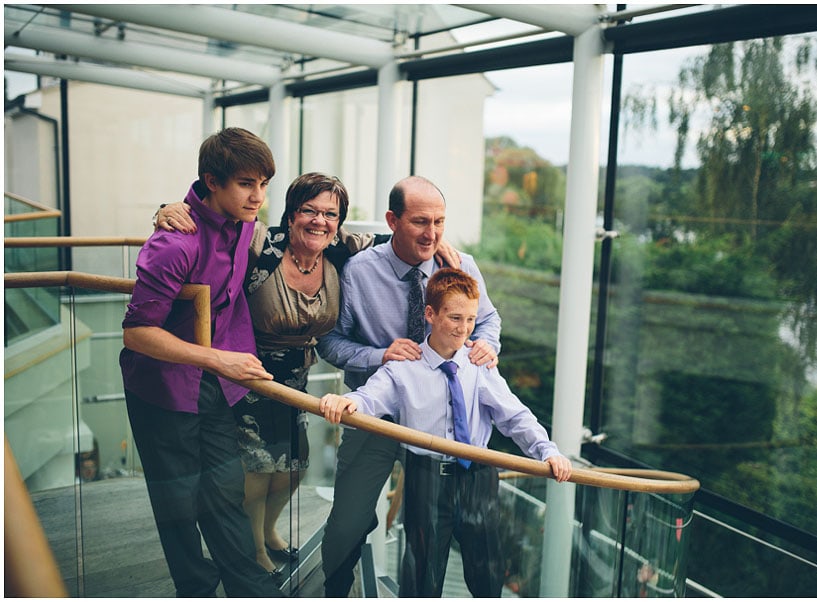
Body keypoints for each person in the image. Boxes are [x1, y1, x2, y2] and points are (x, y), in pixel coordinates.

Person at [153, 173, 461, 579]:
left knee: (292, 468)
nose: (320, 221)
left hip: (296, 377)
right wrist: (168, 210)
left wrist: (438, 242)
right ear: (292, 212)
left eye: (330, 214)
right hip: (248, 371)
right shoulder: (259, 241)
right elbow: (212, 227)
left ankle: (267, 531)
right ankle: (256, 551)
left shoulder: (338, 251)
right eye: (309, 211)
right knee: (257, 470)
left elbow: (395, 242)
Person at [319, 267, 573, 597]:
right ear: (430, 314)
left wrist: (547, 451)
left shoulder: (479, 365)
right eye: (455, 318)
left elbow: (515, 417)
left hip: (479, 479)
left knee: (487, 573)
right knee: (421, 574)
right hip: (426, 479)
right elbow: (368, 398)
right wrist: (344, 401)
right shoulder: (403, 367)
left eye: (470, 319)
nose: (464, 328)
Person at [316, 175, 501, 596]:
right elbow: (330, 340)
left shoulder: (460, 265)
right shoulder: (359, 273)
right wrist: (379, 354)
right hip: (377, 415)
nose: (432, 233)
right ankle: (336, 590)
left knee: (449, 536)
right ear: (391, 220)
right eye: (420, 222)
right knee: (347, 521)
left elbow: (488, 320)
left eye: (439, 221)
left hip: (441, 424)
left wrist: (487, 346)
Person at [119, 127, 284, 597]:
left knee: (226, 491)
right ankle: (194, 589)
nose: (258, 197)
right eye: (246, 184)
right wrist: (220, 360)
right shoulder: (174, 243)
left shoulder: (244, 222)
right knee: (177, 503)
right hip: (161, 387)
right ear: (213, 182)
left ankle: (249, 589)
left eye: (264, 184)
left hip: (213, 380)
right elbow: (135, 333)